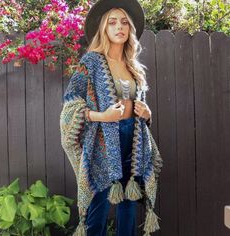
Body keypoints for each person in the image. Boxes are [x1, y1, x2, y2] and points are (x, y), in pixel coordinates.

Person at [60, 0, 163, 235]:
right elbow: (70, 105)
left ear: (130, 29)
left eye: (125, 22)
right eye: (113, 22)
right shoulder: (92, 62)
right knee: (100, 201)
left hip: (133, 139)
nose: (120, 27)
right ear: (104, 28)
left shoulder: (133, 66)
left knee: (128, 201)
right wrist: (102, 116)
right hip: (104, 140)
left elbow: (140, 105)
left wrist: (147, 114)